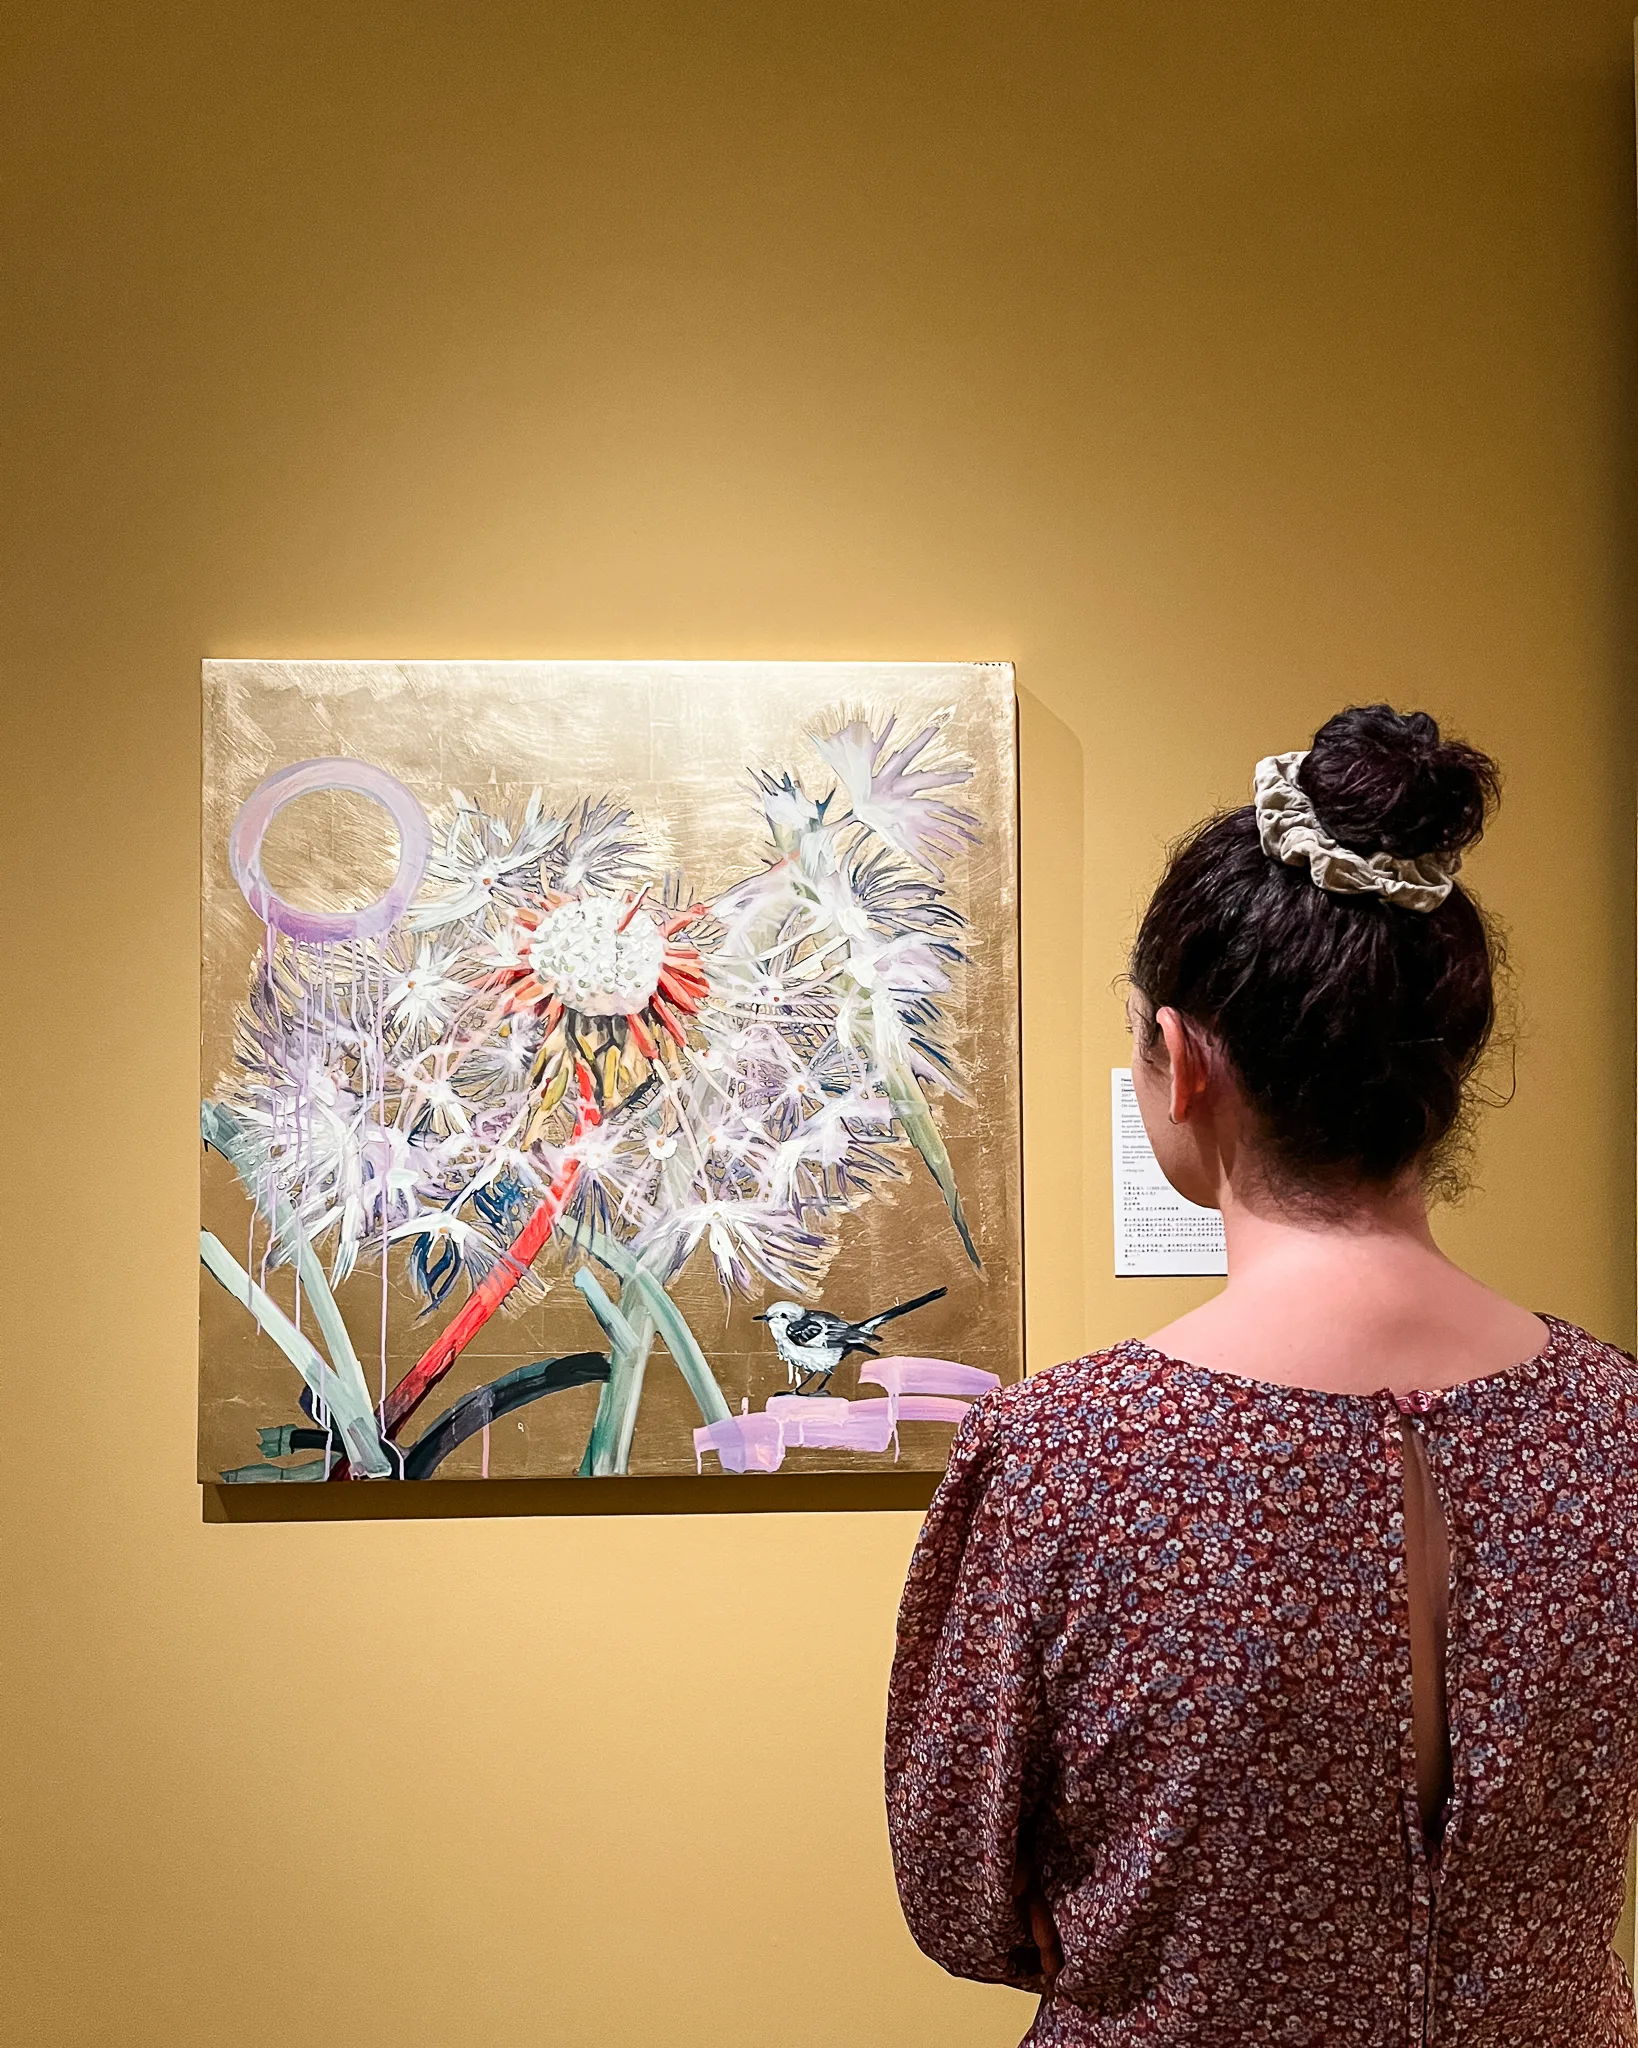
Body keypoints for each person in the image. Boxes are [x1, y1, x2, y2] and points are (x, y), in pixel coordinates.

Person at [885, 705, 1638, 2046]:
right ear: (1447, 1069)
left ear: (1179, 1063)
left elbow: (962, 1896)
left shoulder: (1066, 1451)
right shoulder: (1615, 1425)